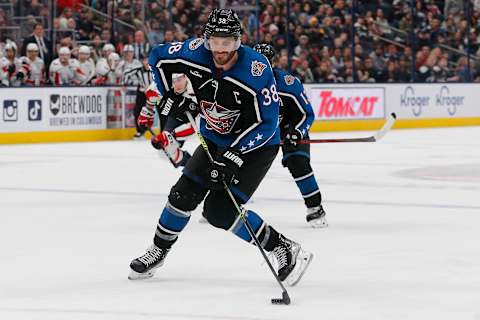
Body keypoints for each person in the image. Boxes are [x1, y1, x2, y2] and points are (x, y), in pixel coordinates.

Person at [129, 9, 313, 286]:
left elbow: (267, 123)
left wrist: (234, 155)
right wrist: (171, 94)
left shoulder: (257, 70)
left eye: (227, 42)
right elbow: (157, 56)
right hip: (215, 138)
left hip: (256, 146)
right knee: (181, 196)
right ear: (206, 40)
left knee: (220, 211)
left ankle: (283, 247)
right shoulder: (193, 52)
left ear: (238, 41)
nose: (221, 49)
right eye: (215, 42)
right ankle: (158, 251)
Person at [253, 43, 327, 228]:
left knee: (298, 162)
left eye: (265, 63)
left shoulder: (287, 83)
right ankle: (221, 203)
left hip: (288, 127)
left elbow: (306, 114)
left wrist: (297, 132)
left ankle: (315, 207)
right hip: (258, 130)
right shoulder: (242, 82)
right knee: (235, 161)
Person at [137, 73, 194, 166]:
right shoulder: (164, 82)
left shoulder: (196, 88)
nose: (177, 84)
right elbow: (152, 94)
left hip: (199, 116)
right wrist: (147, 112)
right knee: (165, 150)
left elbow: (199, 126)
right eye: (174, 81)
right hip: (178, 113)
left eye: (179, 80)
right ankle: (197, 168)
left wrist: (171, 136)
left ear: (186, 77)